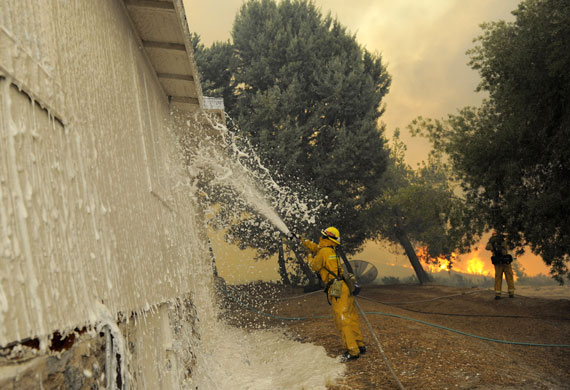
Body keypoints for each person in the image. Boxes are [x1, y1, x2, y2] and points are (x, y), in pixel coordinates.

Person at [300, 226, 366, 362]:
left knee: (342, 320)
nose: (321, 238)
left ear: (325, 238)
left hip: (337, 288)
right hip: (345, 287)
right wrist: (302, 240)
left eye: (322, 236)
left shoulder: (324, 252)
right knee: (351, 316)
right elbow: (316, 248)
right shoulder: (330, 250)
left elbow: (314, 266)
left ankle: (352, 351)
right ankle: (359, 344)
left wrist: (308, 256)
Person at [485, 230, 515, 300]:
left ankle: (497, 294)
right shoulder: (504, 240)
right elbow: (509, 245)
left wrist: (492, 243)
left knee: (498, 277)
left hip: (498, 262)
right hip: (506, 261)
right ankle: (511, 293)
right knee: (509, 276)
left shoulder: (492, 241)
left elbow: (487, 247)